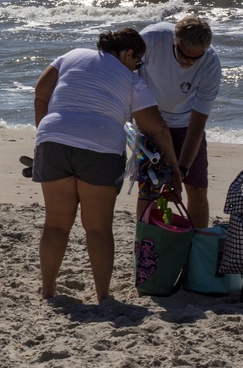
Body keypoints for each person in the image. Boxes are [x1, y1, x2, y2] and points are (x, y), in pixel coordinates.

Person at [33, 28, 182, 302]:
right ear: (128, 53)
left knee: (55, 224)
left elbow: (41, 92)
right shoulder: (131, 81)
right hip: (101, 147)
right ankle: (103, 296)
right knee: (98, 228)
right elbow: (157, 129)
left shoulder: (71, 55)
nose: (137, 69)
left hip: (52, 139)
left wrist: (44, 134)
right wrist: (174, 169)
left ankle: (47, 291)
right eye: (138, 62)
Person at [137, 17, 221, 229]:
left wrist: (181, 169)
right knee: (151, 189)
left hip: (185, 122)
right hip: (150, 117)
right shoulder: (151, 39)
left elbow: (198, 123)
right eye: (183, 56)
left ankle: (197, 244)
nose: (188, 63)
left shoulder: (210, 63)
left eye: (195, 59)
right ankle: (147, 241)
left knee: (197, 189)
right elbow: (125, 71)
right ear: (173, 41)